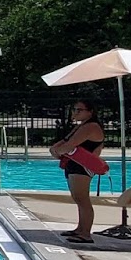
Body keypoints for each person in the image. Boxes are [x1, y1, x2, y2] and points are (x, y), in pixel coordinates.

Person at [47, 97, 105, 245]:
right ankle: (80, 228)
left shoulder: (91, 127)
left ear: (90, 112)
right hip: (74, 164)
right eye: (74, 109)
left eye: (80, 110)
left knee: (82, 198)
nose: (75, 112)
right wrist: (55, 149)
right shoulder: (81, 126)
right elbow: (65, 141)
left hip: (83, 166)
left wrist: (57, 151)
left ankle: (86, 234)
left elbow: (70, 145)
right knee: (78, 198)